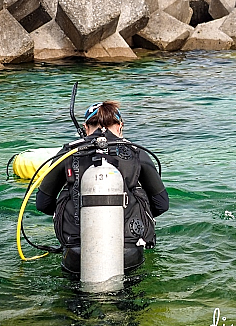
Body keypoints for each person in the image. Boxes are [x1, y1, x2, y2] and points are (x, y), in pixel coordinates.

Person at [36, 100, 169, 273]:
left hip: (77, 252)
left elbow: (42, 203)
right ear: (120, 126)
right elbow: (161, 203)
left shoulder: (68, 152)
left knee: (74, 298)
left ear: (85, 127)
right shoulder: (136, 152)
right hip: (128, 251)